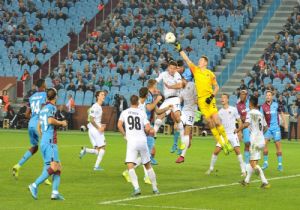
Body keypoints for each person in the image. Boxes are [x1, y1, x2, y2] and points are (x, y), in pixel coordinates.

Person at [175, 42, 232, 154]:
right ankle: (222, 144)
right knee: (210, 123)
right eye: (199, 60)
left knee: (217, 120)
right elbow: (187, 60)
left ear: (205, 62)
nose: (199, 61)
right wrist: (180, 49)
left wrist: (211, 97)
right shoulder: (195, 70)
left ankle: (227, 142)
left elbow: (217, 87)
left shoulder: (210, 74)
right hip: (201, 101)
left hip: (210, 100)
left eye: (201, 60)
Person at [122, 87, 172, 184]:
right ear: (147, 94)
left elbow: (157, 111)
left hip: (144, 132)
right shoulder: (139, 106)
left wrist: (167, 108)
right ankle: (146, 177)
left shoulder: (146, 103)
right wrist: (157, 99)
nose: (156, 91)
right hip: (141, 133)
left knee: (146, 154)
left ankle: (129, 172)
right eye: (155, 89)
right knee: (147, 154)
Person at [28, 88, 68, 200]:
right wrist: (62, 123)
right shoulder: (51, 107)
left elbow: (38, 126)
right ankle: (34, 185)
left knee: (58, 167)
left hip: (45, 142)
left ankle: (55, 192)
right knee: (55, 167)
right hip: (50, 142)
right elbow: (50, 121)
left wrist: (44, 137)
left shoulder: (43, 108)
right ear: (55, 97)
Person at [117, 95, 159, 196]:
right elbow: (148, 128)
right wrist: (148, 131)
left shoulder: (125, 112)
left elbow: (119, 125)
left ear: (130, 102)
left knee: (130, 165)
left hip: (132, 141)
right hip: (142, 140)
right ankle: (155, 189)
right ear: (138, 103)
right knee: (148, 165)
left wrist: (125, 135)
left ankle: (136, 188)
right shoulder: (142, 112)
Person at [12, 79, 50, 185]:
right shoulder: (45, 95)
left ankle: (18, 166)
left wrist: (33, 118)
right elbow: (44, 109)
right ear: (43, 85)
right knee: (46, 147)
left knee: (34, 147)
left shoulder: (32, 97)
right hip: (39, 124)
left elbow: (26, 114)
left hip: (31, 124)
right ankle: (45, 175)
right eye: (45, 83)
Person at [206, 94, 246, 176]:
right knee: (216, 151)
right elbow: (217, 125)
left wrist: (239, 132)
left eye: (224, 97)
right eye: (221, 98)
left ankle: (243, 171)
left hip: (233, 134)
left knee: (237, 151)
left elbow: (239, 120)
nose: (222, 99)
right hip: (224, 135)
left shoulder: (233, 109)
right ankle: (210, 169)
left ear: (228, 99)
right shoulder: (219, 112)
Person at [236, 96, 270, 189]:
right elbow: (266, 127)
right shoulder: (260, 114)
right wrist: (259, 133)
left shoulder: (250, 113)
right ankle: (246, 181)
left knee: (252, 164)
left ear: (250, 103)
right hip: (261, 140)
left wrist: (238, 130)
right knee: (254, 162)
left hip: (254, 141)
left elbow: (246, 124)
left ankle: (265, 182)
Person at [153, 60, 185, 156]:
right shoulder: (163, 74)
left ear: (176, 69)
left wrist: (170, 86)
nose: (171, 70)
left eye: (173, 68)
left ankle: (183, 143)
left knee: (177, 118)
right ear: (168, 68)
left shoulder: (177, 75)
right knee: (158, 117)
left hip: (175, 99)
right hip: (167, 100)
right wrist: (154, 88)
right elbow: (156, 81)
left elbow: (180, 85)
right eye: (170, 68)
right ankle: (152, 139)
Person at [79, 91, 107, 171]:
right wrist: (99, 128)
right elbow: (91, 119)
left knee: (97, 150)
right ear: (97, 97)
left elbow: (92, 118)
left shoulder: (96, 106)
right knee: (103, 148)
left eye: (104, 94)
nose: (103, 96)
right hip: (95, 130)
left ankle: (85, 150)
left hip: (91, 129)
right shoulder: (96, 106)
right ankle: (96, 166)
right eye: (102, 94)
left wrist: (101, 125)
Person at [260, 90, 287, 171]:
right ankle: (265, 163)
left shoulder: (276, 104)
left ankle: (280, 164)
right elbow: (261, 118)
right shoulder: (263, 106)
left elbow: (281, 113)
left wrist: (285, 124)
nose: (268, 96)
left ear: (272, 96)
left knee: (278, 146)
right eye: (267, 95)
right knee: (264, 145)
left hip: (276, 128)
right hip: (267, 128)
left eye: (269, 95)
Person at [175, 77, 197, 163]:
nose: (180, 83)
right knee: (179, 125)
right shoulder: (181, 89)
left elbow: (196, 98)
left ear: (184, 79)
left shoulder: (191, 85)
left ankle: (182, 156)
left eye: (181, 81)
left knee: (186, 132)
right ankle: (186, 141)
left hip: (192, 111)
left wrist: (197, 102)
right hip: (184, 110)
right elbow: (180, 100)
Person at [236, 89, 251, 164]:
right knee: (247, 143)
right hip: (245, 126)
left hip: (253, 126)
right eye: (241, 94)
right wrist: (240, 131)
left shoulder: (250, 103)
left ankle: (253, 161)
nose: (242, 95)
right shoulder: (238, 105)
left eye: (243, 94)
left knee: (253, 144)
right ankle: (247, 163)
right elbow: (239, 119)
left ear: (246, 95)